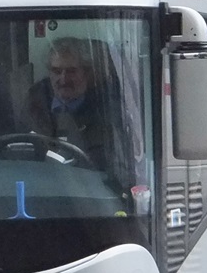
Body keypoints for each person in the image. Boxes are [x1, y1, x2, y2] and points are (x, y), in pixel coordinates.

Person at [23, 37, 128, 176]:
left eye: (71, 71)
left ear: (87, 73)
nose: (63, 79)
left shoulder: (105, 110)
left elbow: (112, 166)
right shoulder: (33, 105)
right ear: (49, 73)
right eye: (56, 71)